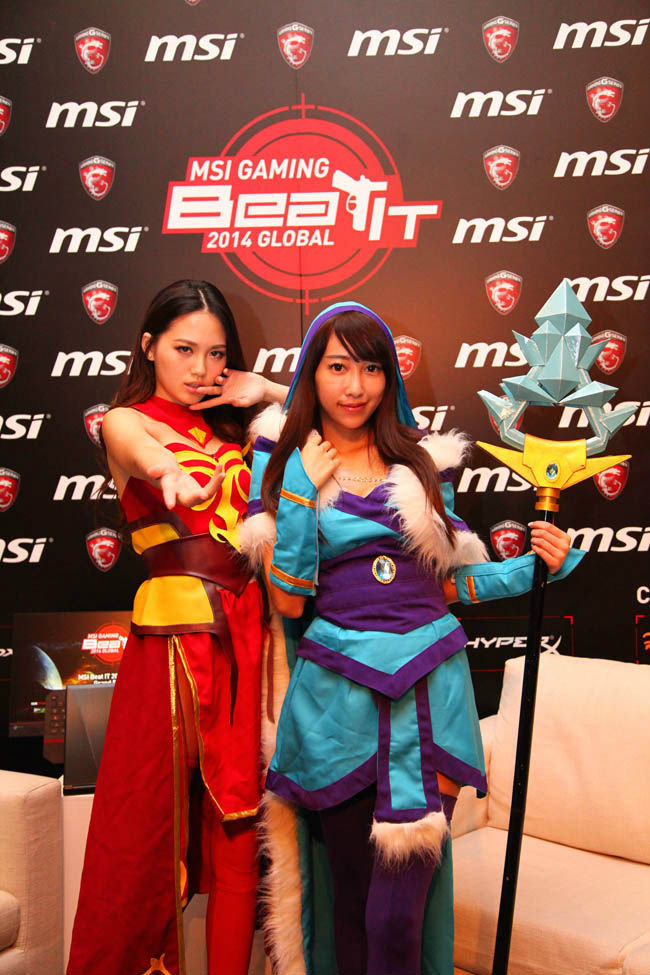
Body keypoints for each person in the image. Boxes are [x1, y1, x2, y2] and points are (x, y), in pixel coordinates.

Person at [239, 301, 584, 975]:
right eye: (338, 367)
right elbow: (288, 597)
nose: (355, 385)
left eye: (371, 368)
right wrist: (303, 491)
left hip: (429, 693)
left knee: (396, 915)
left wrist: (535, 568)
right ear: (312, 373)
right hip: (336, 704)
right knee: (350, 902)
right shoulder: (283, 461)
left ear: (389, 376)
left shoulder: (423, 459)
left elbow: (444, 586)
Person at [67, 280, 287, 975]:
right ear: (149, 346)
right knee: (146, 825)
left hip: (254, 637)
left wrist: (269, 391)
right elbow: (136, 446)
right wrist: (169, 472)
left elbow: (341, 430)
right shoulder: (128, 420)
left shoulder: (242, 425)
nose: (200, 368)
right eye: (184, 349)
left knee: (242, 827)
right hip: (173, 646)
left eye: (216, 353)